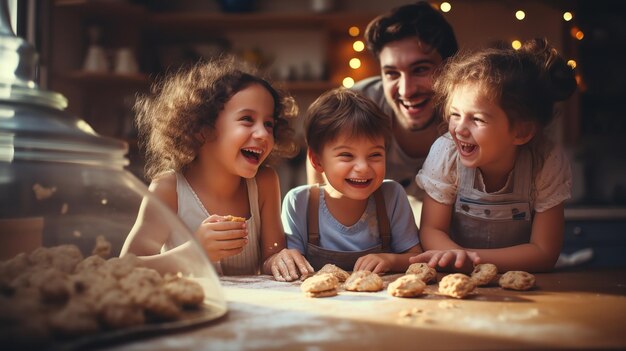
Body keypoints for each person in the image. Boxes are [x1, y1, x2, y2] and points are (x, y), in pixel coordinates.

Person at [122, 57, 313, 282]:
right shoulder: (169, 188)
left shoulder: (265, 182)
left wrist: (280, 259)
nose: (263, 134)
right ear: (202, 128)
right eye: (247, 119)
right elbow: (125, 267)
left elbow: (270, 256)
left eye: (269, 124)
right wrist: (195, 252)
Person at [410, 38, 577, 273]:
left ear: (521, 131)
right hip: (458, 275)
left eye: (477, 119)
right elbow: (431, 229)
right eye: (455, 114)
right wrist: (456, 256)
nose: (459, 129)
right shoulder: (446, 153)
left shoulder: (545, 160)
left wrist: (471, 258)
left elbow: (544, 252)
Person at [307, 1, 459, 225]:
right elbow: (319, 160)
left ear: (449, 69)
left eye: (420, 70)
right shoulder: (359, 104)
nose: (406, 89)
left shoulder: (468, 114)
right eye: (391, 73)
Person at [283, 88, 422, 274]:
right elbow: (291, 263)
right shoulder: (299, 203)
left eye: (375, 155)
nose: (363, 167)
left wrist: (390, 260)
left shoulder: (392, 196)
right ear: (317, 161)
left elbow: (416, 259)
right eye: (347, 155)